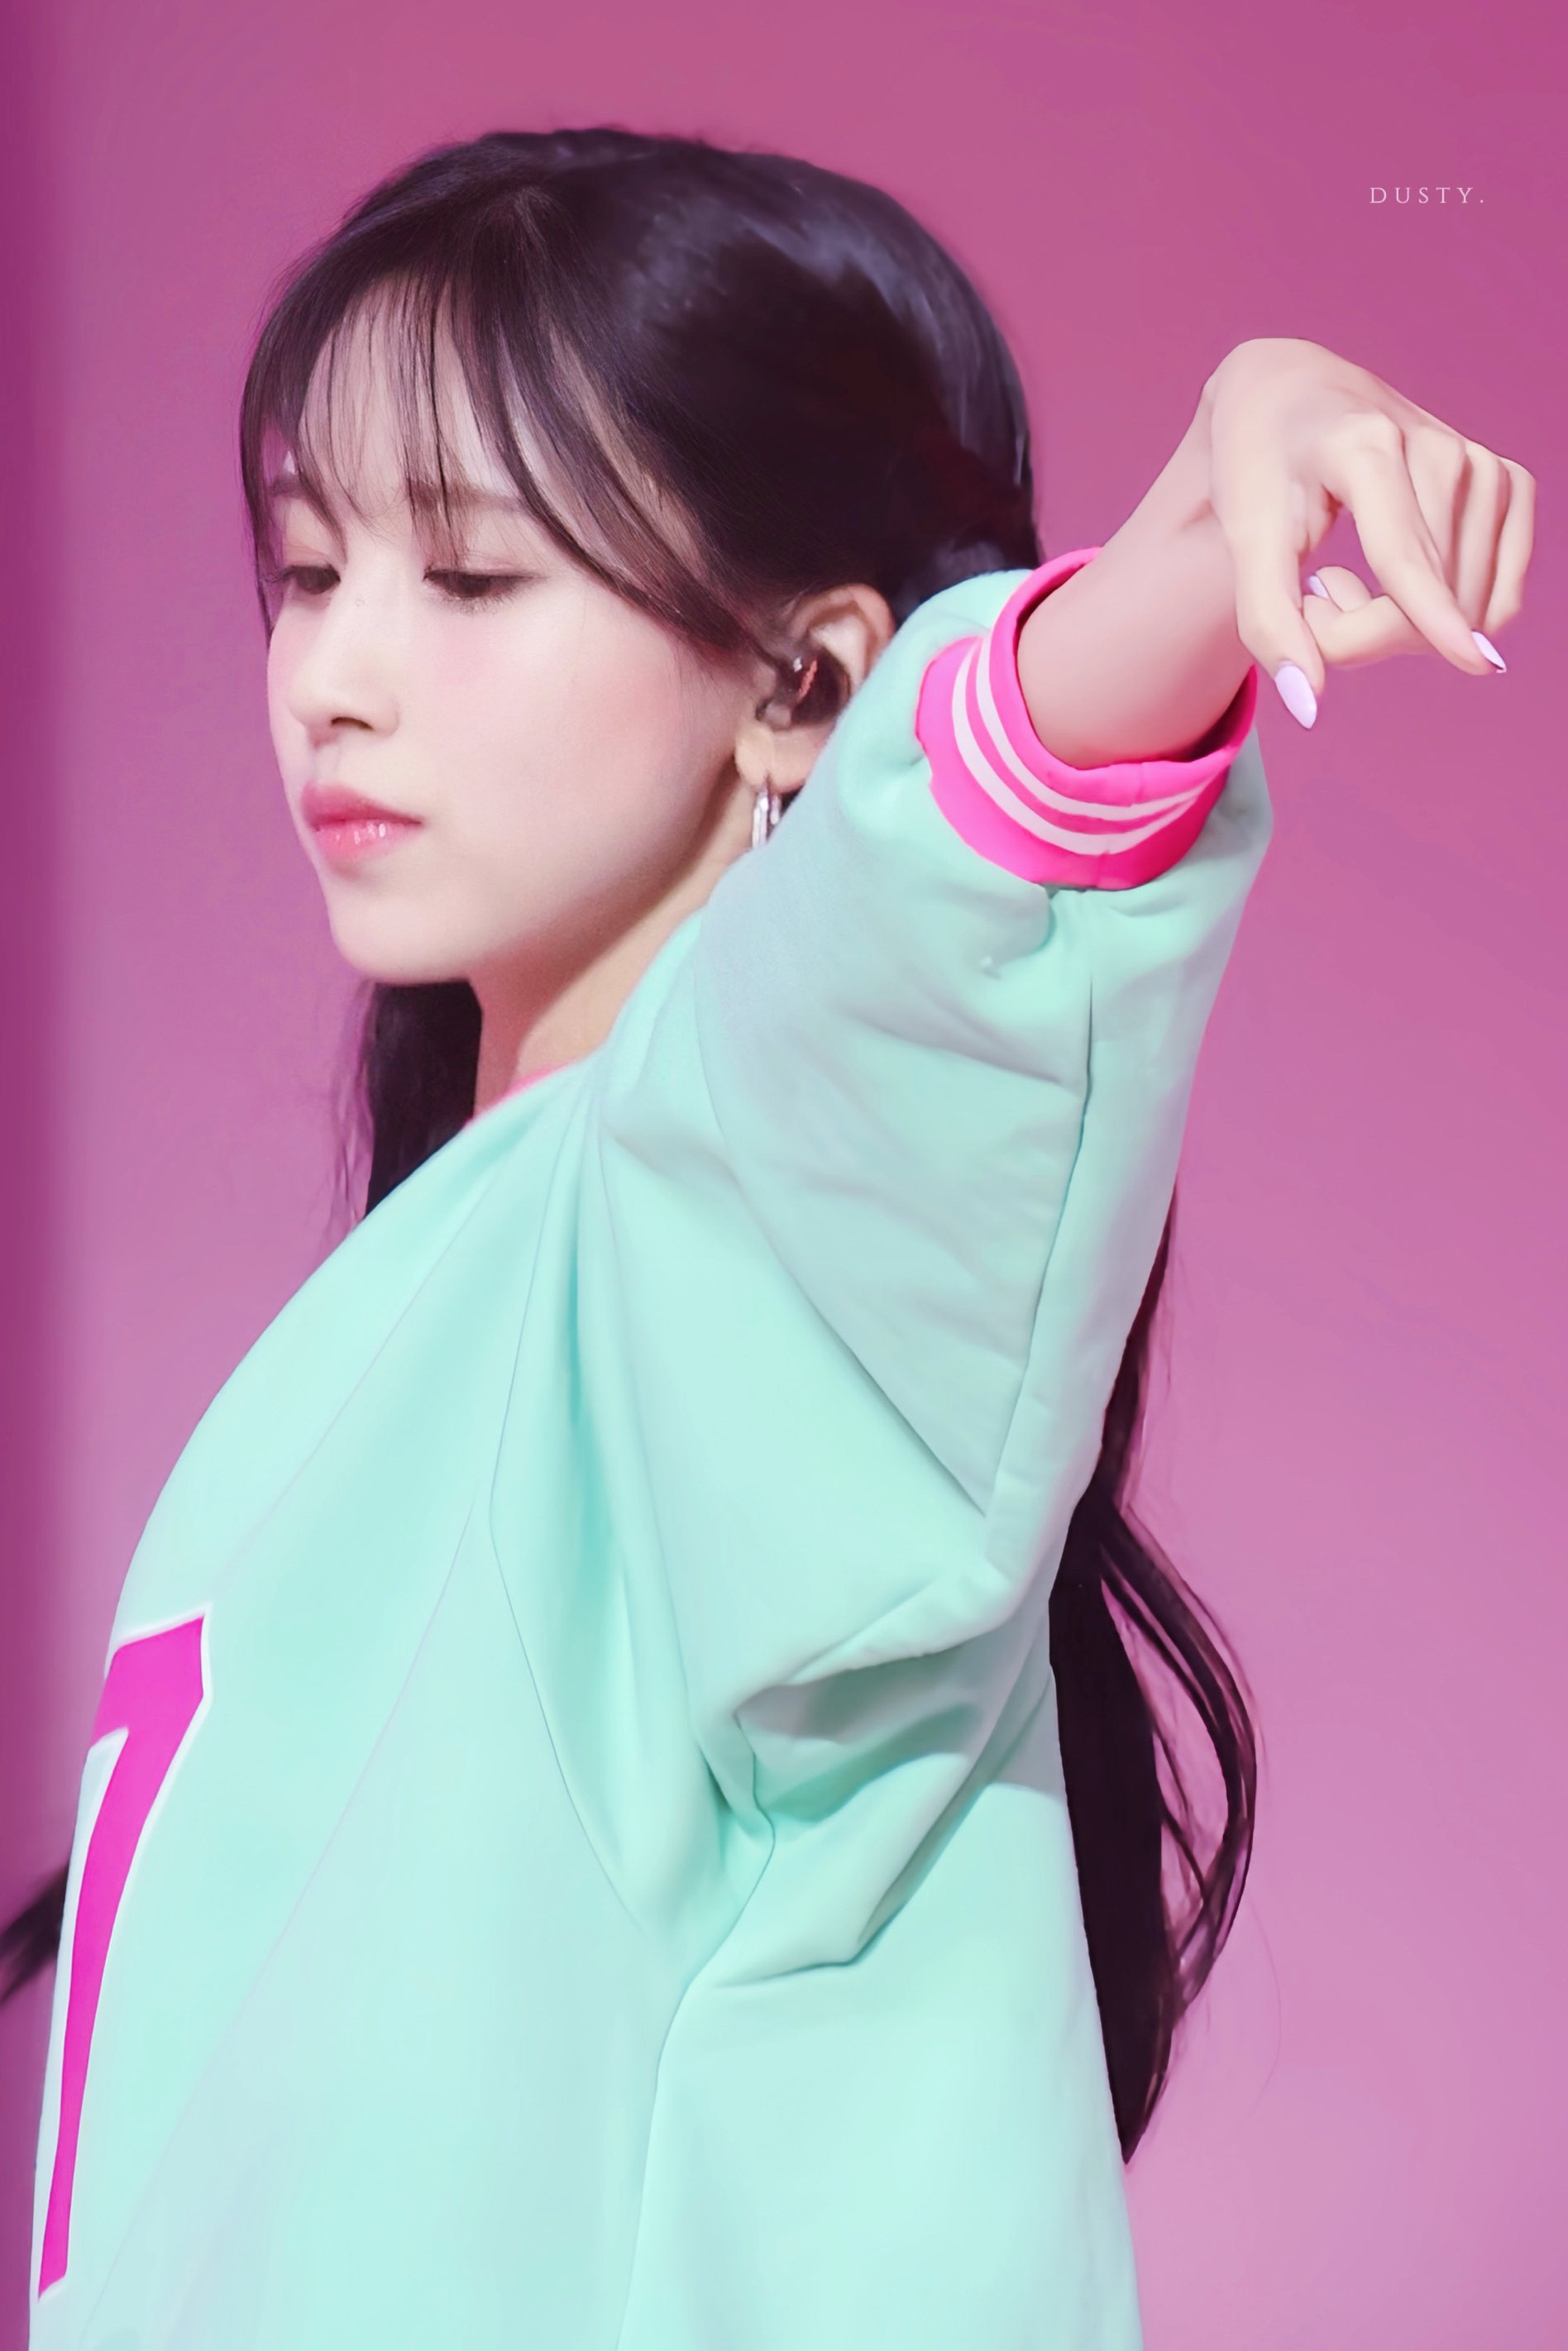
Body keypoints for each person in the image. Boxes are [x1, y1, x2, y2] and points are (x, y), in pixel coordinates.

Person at [1, 127, 1531, 2351]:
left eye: (472, 577)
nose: (334, 672)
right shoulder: (430, 1296)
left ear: (805, 685)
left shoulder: (720, 1204)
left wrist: (1213, 520)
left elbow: (932, 890)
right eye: (312, 568)